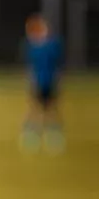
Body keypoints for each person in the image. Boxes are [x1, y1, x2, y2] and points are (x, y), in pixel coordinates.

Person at [21, 13, 65, 156]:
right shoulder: (31, 47)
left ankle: (54, 136)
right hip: (37, 83)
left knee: (52, 110)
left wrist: (58, 82)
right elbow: (30, 68)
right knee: (34, 110)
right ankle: (31, 136)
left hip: (50, 83)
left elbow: (58, 66)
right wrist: (30, 82)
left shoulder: (52, 45)